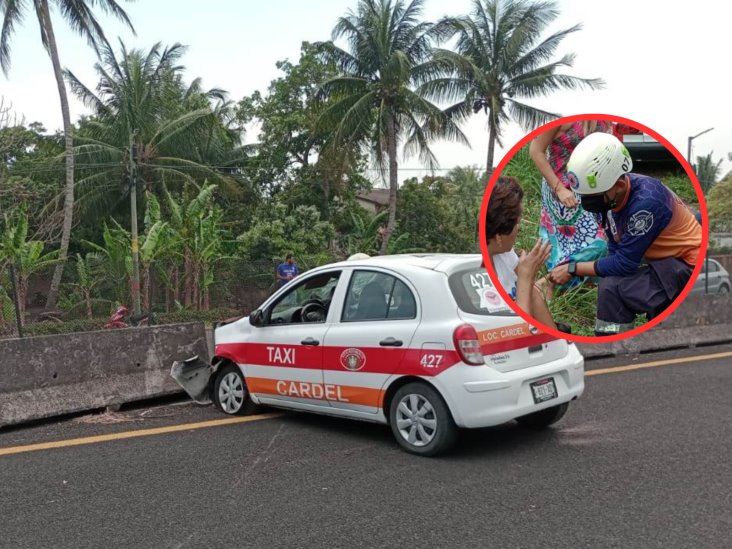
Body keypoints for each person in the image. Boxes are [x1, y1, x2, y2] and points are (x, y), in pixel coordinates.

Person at [549, 132, 702, 336]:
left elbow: (624, 263)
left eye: (593, 196)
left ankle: (614, 343)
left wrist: (573, 268)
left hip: (685, 266)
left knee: (614, 289)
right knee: (610, 283)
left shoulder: (645, 204)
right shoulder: (611, 198)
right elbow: (615, 247)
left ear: (619, 185)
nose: (587, 202)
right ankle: (614, 339)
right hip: (662, 261)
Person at [529, 120, 612, 292]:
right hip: (560, 190)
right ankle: (548, 283)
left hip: (590, 190)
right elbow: (536, 151)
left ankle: (574, 287)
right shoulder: (563, 117)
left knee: (599, 240)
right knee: (594, 242)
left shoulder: (605, 119)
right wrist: (559, 188)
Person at [485, 175, 557, 330]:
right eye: (517, 223)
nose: (519, 228)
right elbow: (519, 332)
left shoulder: (505, 253)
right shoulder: (481, 276)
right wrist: (525, 278)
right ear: (498, 236)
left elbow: (532, 295)